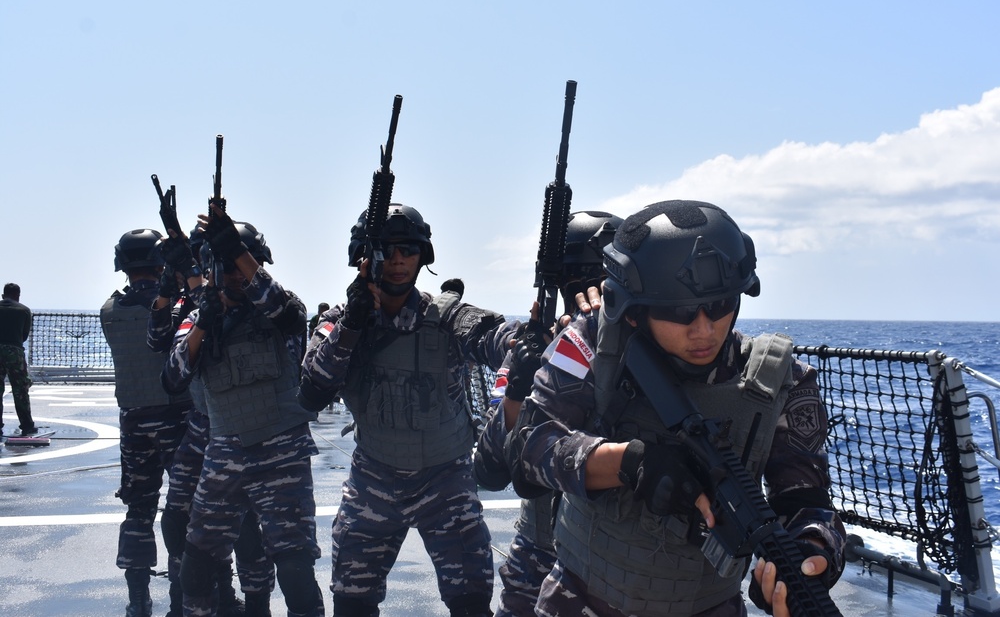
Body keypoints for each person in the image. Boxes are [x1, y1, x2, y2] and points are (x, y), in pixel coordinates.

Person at [505, 200, 847, 617]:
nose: (704, 330)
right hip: (581, 600)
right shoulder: (590, 346)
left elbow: (806, 501)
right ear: (633, 311)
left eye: (720, 305)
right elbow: (529, 452)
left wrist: (813, 552)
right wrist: (629, 463)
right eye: (680, 312)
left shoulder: (782, 382)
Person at [297, 203, 516, 617]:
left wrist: (522, 343)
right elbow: (312, 389)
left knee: (471, 601)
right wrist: (353, 326)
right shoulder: (338, 322)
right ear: (364, 257)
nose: (398, 260)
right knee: (352, 601)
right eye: (388, 250)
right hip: (374, 479)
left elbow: (492, 336)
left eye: (409, 250)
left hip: (445, 479)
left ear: (422, 257)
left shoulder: (447, 315)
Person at [161, 204, 325, 617]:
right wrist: (204, 323)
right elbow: (174, 377)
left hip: (282, 455)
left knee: (294, 571)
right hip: (224, 455)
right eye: (226, 267)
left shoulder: (284, 311)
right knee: (196, 565)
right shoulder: (199, 318)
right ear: (211, 268)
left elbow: (283, 309)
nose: (236, 276)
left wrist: (235, 249)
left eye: (242, 266)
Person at [473, 210, 622, 617]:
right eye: (577, 280)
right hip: (538, 553)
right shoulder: (531, 351)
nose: (589, 293)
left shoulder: (649, 355)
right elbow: (489, 471)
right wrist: (518, 394)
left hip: (615, 563)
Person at [150, 226, 272, 617]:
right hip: (202, 424)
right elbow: (163, 352)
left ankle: (255, 603)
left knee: (250, 525)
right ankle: (206, 594)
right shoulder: (195, 307)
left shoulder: (269, 309)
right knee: (180, 518)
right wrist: (177, 288)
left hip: (247, 431)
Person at [100, 229, 194, 617]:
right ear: (160, 263)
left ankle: (138, 597)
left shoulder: (109, 310)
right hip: (178, 418)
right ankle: (181, 594)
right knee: (182, 511)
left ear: (123, 265)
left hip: (133, 423)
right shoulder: (175, 307)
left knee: (138, 511)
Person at [0, 282, 37, 436]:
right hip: (14, 351)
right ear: (18, 295)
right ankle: (27, 425)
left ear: (3, 295)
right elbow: (24, 336)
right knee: (20, 389)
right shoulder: (24, 310)